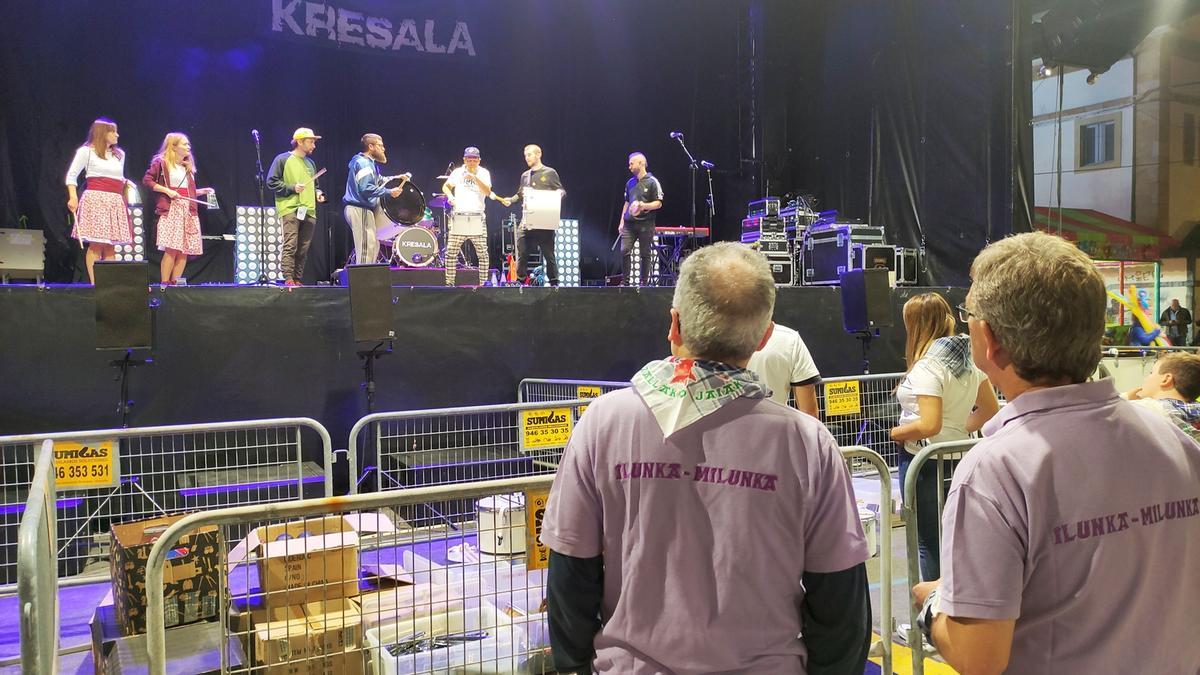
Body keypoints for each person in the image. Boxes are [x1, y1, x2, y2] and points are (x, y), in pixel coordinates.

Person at [543, 242, 870, 675]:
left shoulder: (602, 422)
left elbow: (570, 576)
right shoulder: (807, 443)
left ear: (674, 324)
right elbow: (840, 605)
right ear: (766, 335)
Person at [912, 232, 1200, 674]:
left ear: (991, 342)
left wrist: (932, 604)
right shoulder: (1173, 434)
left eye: (968, 314)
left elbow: (978, 657)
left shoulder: (996, 471)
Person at [890, 293, 999, 584]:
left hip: (923, 462)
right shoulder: (969, 362)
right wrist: (960, 429)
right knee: (953, 536)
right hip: (956, 457)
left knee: (928, 541)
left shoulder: (928, 367)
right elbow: (989, 409)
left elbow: (928, 424)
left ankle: (931, 616)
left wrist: (896, 433)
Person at [65, 118, 133, 285]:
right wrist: (73, 197)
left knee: (110, 245)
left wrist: (125, 182)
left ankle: (109, 283)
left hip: (115, 201)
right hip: (96, 200)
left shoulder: (119, 154)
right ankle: (96, 284)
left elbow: (116, 176)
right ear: (103, 133)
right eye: (113, 131)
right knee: (96, 244)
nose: (117, 134)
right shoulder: (86, 151)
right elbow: (71, 176)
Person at [142, 133, 213, 285]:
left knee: (184, 250)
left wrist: (201, 192)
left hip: (187, 210)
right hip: (171, 209)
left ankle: (175, 284)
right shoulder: (162, 163)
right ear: (174, 146)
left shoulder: (187, 168)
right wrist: (167, 191)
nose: (189, 147)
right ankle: (165, 283)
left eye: (188, 144)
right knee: (172, 248)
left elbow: (187, 192)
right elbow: (148, 180)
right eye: (185, 144)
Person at [267, 128, 325, 287]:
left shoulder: (310, 163)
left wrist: (318, 194)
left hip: (309, 210)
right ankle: (288, 279)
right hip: (290, 208)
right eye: (311, 141)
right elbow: (271, 182)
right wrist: (292, 188)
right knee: (291, 244)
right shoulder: (283, 159)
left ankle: (298, 279)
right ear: (300, 141)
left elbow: (316, 185)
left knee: (303, 248)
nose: (314, 145)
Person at [499, 144, 564, 286]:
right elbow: (521, 194)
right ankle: (521, 281)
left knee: (548, 254)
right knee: (522, 251)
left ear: (538, 154)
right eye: (525, 155)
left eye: (529, 154)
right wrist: (511, 199)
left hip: (544, 219)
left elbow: (561, 190)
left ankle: (554, 282)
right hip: (528, 218)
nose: (526, 157)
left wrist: (559, 194)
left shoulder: (550, 172)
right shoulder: (525, 176)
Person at [342, 133, 408, 265]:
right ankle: (363, 281)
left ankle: (367, 279)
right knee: (366, 248)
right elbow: (366, 188)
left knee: (372, 245)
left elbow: (378, 181)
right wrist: (389, 192)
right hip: (359, 209)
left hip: (362, 210)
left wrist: (395, 178)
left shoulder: (368, 163)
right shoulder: (363, 163)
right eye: (380, 146)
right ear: (370, 146)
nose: (383, 149)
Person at [441, 146, 495, 287]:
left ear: (479, 160)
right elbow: (446, 186)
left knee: (482, 254)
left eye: (474, 160)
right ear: (464, 159)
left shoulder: (484, 173)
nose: (471, 162)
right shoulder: (458, 172)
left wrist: (475, 178)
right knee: (451, 252)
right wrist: (450, 196)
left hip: (477, 217)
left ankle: (483, 284)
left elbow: (488, 191)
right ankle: (450, 283)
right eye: (469, 159)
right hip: (459, 216)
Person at [746, 321, 821, 416]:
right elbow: (809, 413)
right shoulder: (790, 339)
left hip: (726, 428)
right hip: (774, 426)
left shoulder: (722, 337)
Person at [1123, 352, 1200, 441]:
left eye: (1151, 372)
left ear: (1166, 379)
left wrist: (1125, 397)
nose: (1146, 378)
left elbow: (1107, 411)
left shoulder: (1148, 407)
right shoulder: (1194, 412)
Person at [618, 152, 663, 286]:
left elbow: (659, 203)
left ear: (641, 163)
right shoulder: (630, 183)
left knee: (645, 253)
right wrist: (621, 221)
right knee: (624, 250)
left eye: (632, 163)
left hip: (646, 223)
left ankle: (644, 282)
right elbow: (626, 202)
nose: (629, 167)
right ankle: (625, 281)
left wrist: (643, 205)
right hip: (629, 224)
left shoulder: (652, 181)